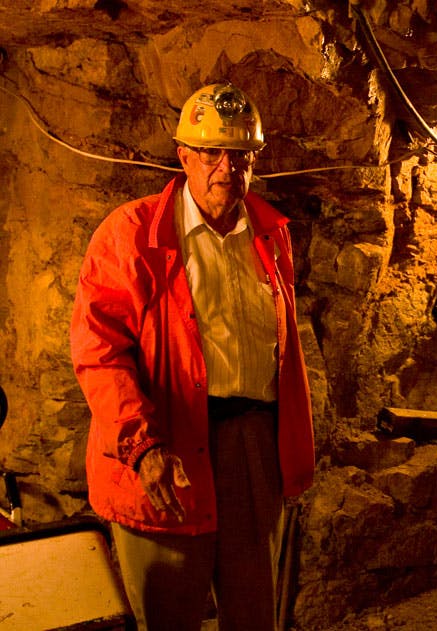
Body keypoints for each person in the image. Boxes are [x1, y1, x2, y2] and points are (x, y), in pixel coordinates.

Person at [70, 83, 315, 631]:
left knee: (254, 615)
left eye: (241, 154)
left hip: (252, 446)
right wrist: (142, 443)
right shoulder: (131, 235)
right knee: (169, 616)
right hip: (166, 450)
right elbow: (98, 351)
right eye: (211, 153)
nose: (227, 167)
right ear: (184, 156)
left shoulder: (271, 234)